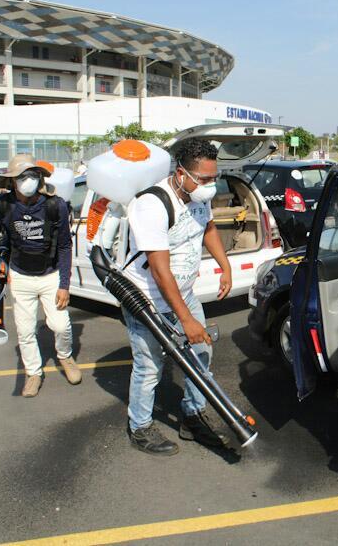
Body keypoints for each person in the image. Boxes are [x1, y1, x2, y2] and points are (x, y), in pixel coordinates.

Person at [122, 138, 232, 456]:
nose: (211, 186)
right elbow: (158, 269)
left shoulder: (198, 196)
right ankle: (140, 427)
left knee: (201, 356)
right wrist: (186, 320)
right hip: (147, 300)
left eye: (215, 178)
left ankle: (192, 417)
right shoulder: (151, 204)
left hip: (183, 293)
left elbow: (208, 228)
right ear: (181, 173)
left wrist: (224, 266)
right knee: (149, 367)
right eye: (205, 179)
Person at [0, 154, 80, 398]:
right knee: (25, 331)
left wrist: (64, 285)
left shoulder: (54, 204)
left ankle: (65, 356)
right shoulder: (2, 205)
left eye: (33, 175)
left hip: (51, 275)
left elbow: (66, 247)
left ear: (40, 178)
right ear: (12, 181)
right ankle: (33, 373)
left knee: (61, 325)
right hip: (20, 276)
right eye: (22, 176)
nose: (28, 181)